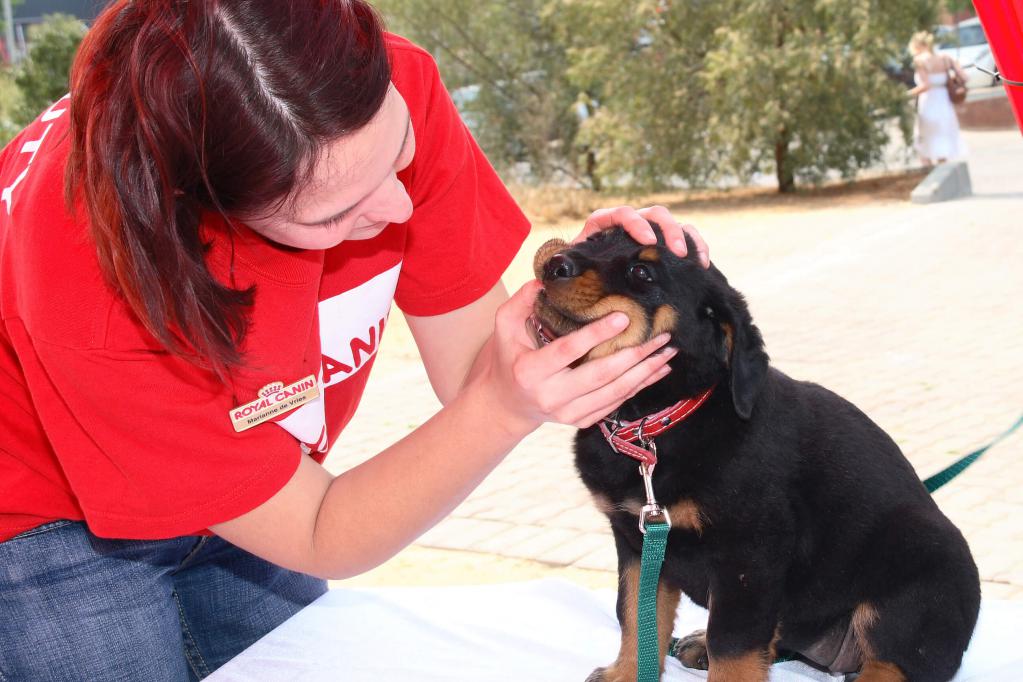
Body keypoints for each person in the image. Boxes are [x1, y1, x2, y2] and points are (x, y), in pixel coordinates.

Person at [0, 1, 709, 679]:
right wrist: (499, 408)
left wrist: (587, 293)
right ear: (207, 206)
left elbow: (474, 364)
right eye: (334, 214)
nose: (398, 206)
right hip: (46, 514)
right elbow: (318, 531)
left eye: (400, 148)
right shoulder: (97, 284)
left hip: (263, 479)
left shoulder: (357, 101)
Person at [907, 30, 968, 166]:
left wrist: (907, 94)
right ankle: (942, 166)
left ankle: (928, 169)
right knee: (943, 136)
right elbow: (965, 77)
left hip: (929, 102)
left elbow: (926, 85)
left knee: (926, 137)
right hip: (944, 101)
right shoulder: (946, 58)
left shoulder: (920, 61)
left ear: (917, 45)